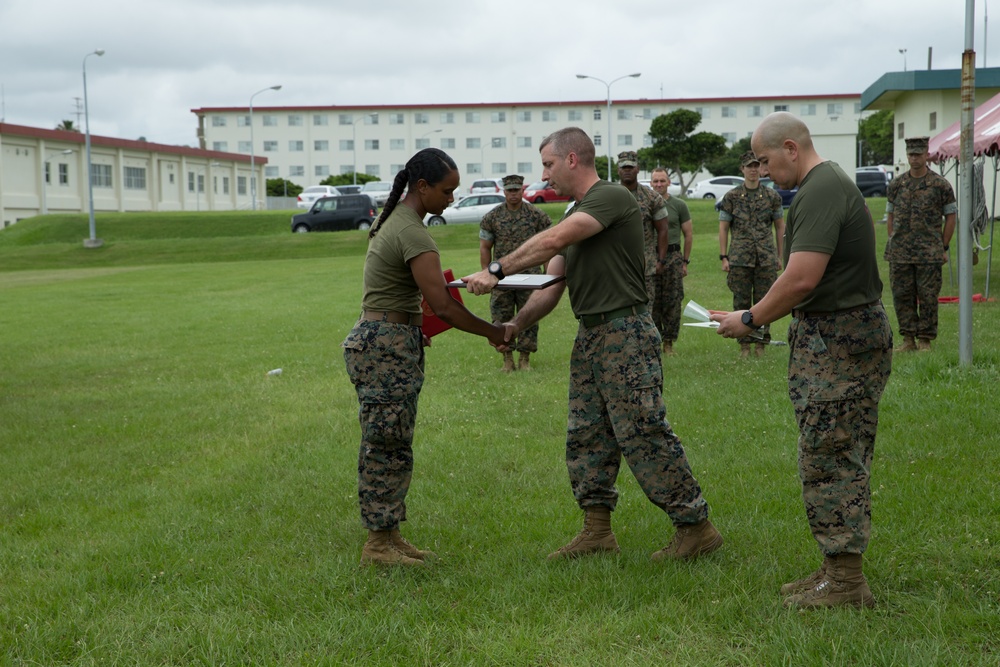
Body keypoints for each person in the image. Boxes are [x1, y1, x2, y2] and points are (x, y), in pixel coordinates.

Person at [464, 128, 722, 562]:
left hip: (625, 333)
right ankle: (597, 531)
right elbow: (553, 281)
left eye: (547, 164)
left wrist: (496, 268)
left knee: (643, 432)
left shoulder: (610, 198)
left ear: (571, 160)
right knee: (587, 435)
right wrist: (515, 324)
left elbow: (552, 241)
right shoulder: (575, 211)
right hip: (591, 336)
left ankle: (695, 526)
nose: (542, 174)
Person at [712, 112, 892, 609]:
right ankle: (834, 568)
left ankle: (847, 585)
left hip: (841, 341)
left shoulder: (821, 188)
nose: (763, 170)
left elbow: (800, 279)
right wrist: (751, 312)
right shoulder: (823, 185)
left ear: (791, 148)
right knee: (831, 451)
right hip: (833, 337)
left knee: (831, 456)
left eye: (766, 160)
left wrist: (749, 319)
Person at [342, 148, 511, 567]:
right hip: (386, 345)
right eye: (446, 190)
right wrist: (494, 333)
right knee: (385, 445)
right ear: (422, 187)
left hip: (388, 339)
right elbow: (446, 306)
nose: (451, 198)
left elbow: (413, 297)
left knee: (395, 442)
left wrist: (416, 326)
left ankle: (390, 534)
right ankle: (377, 545)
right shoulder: (413, 233)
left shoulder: (396, 221)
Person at [884, 136, 957, 352]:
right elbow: (890, 215)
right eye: (911, 154)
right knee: (902, 296)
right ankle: (908, 339)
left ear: (927, 155)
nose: (914, 158)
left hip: (928, 252)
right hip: (901, 252)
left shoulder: (940, 185)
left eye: (918, 154)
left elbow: (951, 217)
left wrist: (943, 246)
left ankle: (925, 339)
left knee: (927, 296)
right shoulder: (897, 184)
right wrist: (892, 240)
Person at [480, 174, 552, 372]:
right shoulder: (492, 217)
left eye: (517, 190)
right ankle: (507, 359)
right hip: (501, 277)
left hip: (530, 276)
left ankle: (525, 359)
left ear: (522, 190)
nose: (513, 194)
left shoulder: (536, 215)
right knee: (501, 316)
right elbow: (485, 247)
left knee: (529, 315)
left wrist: (548, 272)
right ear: (504, 192)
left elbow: (548, 245)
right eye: (510, 190)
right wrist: (485, 274)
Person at [718, 150, 785, 358]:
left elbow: (779, 227)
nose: (753, 170)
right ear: (742, 169)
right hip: (740, 257)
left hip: (765, 256)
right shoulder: (732, 197)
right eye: (749, 166)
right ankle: (745, 346)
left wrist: (779, 256)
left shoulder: (772, 196)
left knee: (765, 301)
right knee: (741, 301)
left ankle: (761, 345)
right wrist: (724, 256)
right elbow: (723, 227)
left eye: (756, 166)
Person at [617, 151, 669, 311]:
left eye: (630, 167)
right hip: (615, 267)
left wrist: (660, 260)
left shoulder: (651, 197)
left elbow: (663, 229)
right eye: (624, 167)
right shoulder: (608, 196)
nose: (627, 170)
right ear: (618, 170)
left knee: (645, 312)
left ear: (637, 169)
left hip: (645, 266)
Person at [650, 167, 692, 355]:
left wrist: (684, 262)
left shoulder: (679, 205)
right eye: (656, 181)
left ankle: (668, 342)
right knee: (652, 300)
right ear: (651, 183)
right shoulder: (646, 204)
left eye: (662, 181)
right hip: (651, 256)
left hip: (673, 257)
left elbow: (688, 234)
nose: (659, 184)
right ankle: (653, 342)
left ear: (669, 182)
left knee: (673, 300)